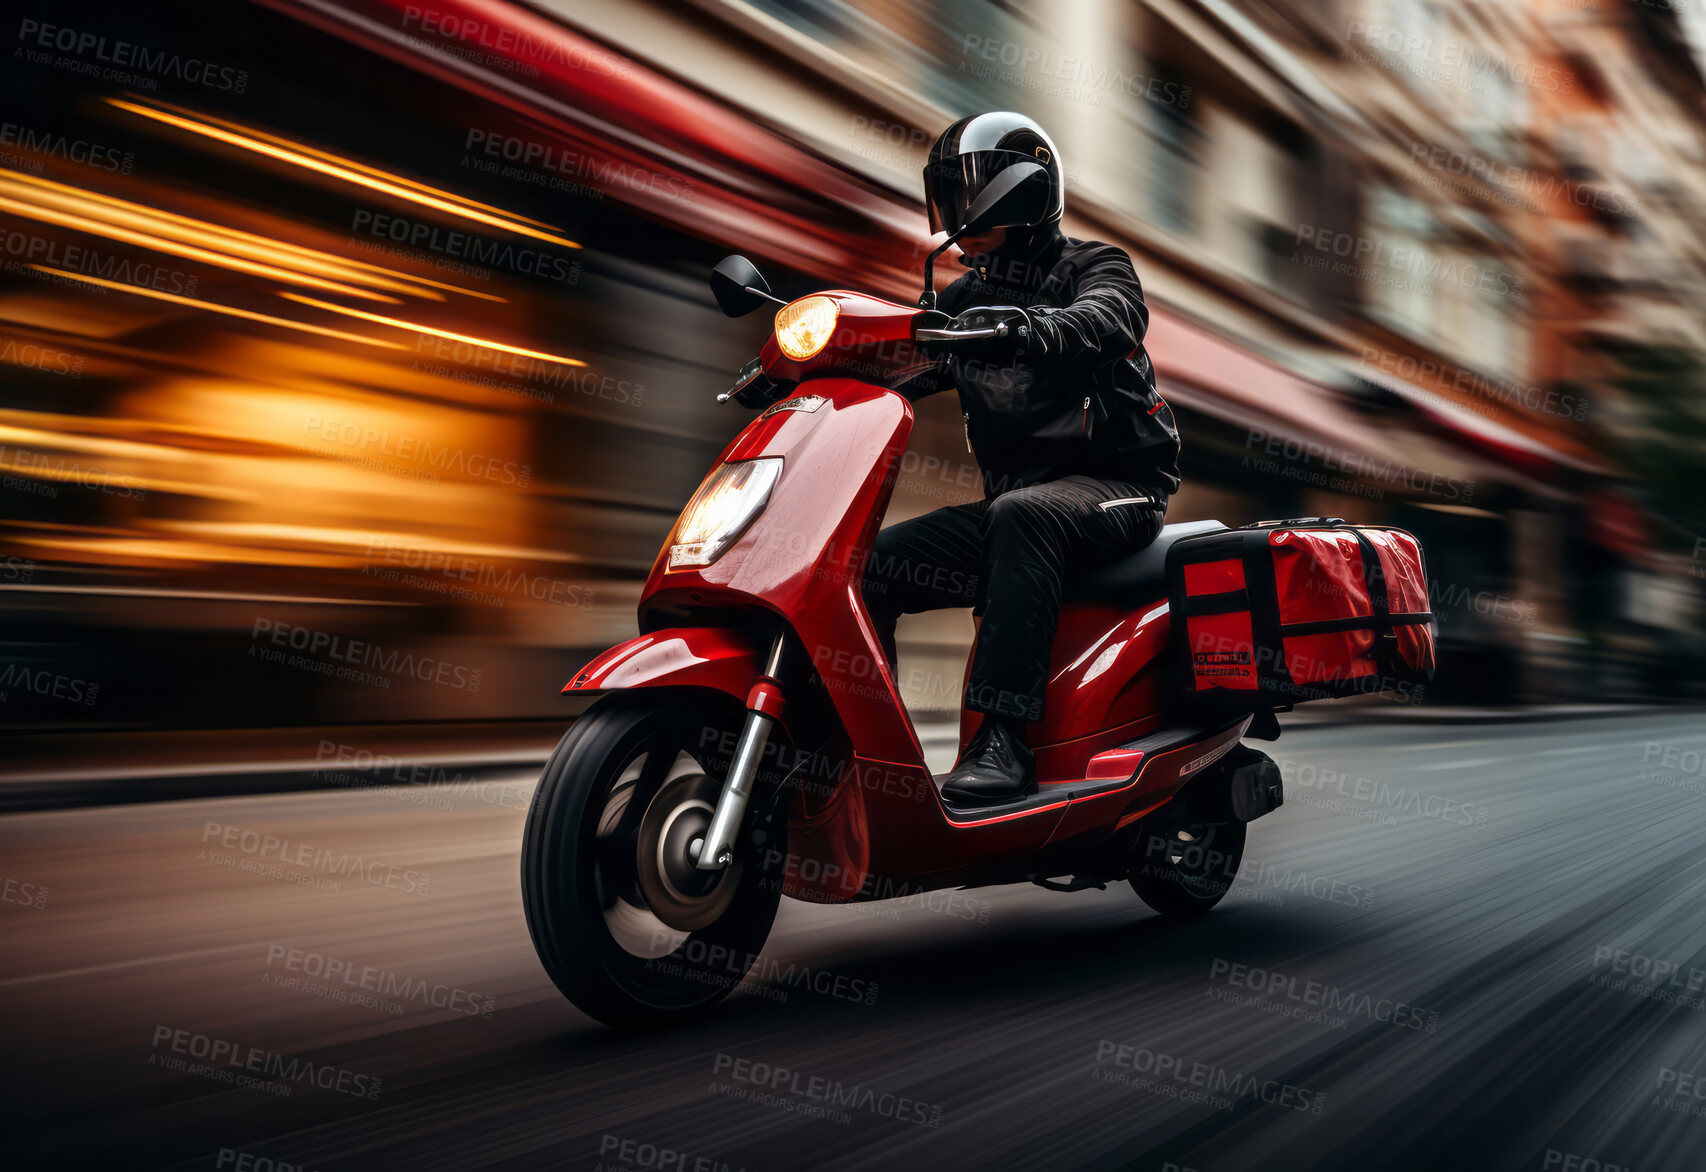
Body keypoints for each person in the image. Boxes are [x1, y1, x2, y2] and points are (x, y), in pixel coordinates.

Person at [864, 110, 1181, 805]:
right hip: (1018, 507)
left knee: (1021, 514)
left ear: (1024, 194)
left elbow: (1109, 316)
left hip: (1116, 488)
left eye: (974, 192)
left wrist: (1031, 328)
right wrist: (801, 369)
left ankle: (1002, 744)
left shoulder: (1094, 266)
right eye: (949, 194)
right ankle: (862, 753)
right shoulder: (966, 298)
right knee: (869, 566)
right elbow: (899, 366)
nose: (957, 212)